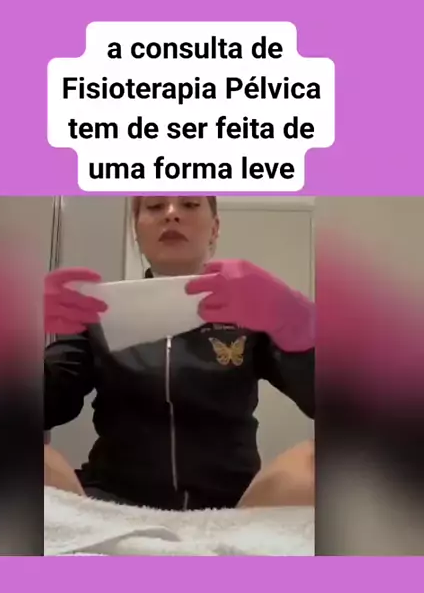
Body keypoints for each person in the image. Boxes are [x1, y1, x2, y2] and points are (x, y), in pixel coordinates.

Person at [44, 195, 315, 510]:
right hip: (114, 502)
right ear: (136, 230)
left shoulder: (251, 313)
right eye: (155, 206)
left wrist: (301, 325)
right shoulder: (98, 315)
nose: (171, 214)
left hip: (231, 507)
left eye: (189, 204)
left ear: (214, 228)